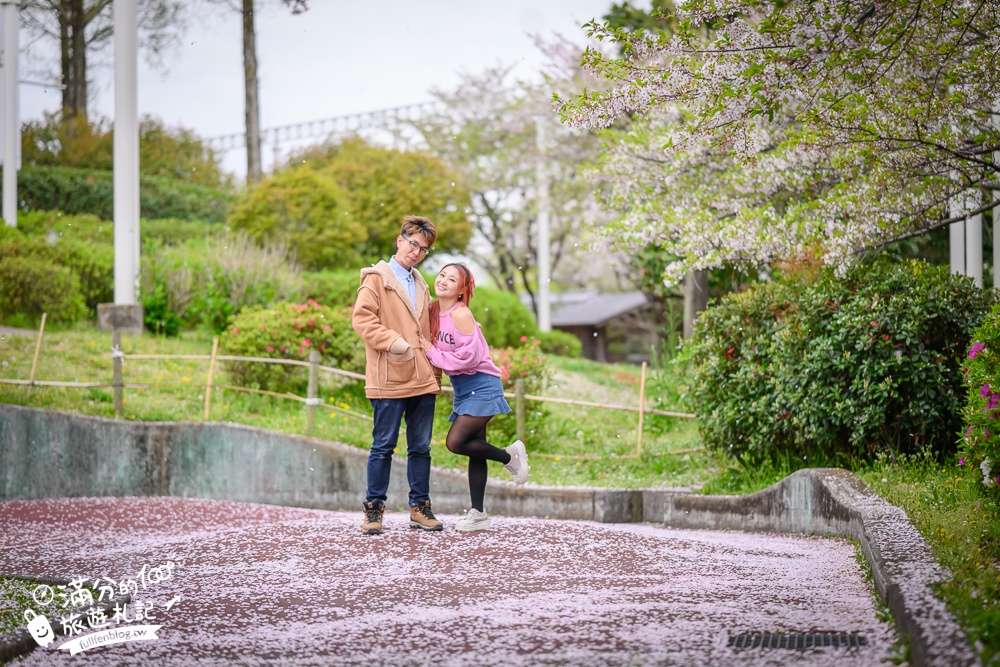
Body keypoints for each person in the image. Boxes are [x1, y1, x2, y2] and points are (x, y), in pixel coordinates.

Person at [420, 262, 529, 532]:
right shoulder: (433, 309)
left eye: (451, 279)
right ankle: (478, 513)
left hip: (482, 384)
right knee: (475, 448)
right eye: (442, 275)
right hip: (463, 387)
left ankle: (509, 457)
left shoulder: (461, 314)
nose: (443, 281)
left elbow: (470, 357)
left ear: (461, 290)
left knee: (455, 442)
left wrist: (430, 351)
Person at [352, 216, 444, 535]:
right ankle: (373, 509)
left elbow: (429, 329)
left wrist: (438, 363)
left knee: (421, 448)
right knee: (383, 446)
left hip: (421, 377)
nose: (417, 251)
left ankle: (420, 507)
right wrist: (394, 343)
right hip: (390, 375)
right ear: (399, 240)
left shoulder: (420, 282)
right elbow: (362, 320)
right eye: (413, 243)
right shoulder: (376, 278)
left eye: (424, 248)